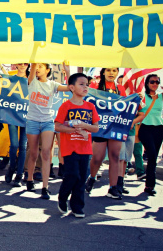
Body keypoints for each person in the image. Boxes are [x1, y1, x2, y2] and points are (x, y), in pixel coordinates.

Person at [55, 73, 100, 218]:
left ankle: (77, 207)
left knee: (81, 177)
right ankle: (62, 197)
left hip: (85, 148)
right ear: (72, 87)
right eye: (81, 84)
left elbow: (95, 128)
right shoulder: (65, 106)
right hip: (70, 148)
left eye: (87, 84)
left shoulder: (90, 106)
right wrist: (74, 129)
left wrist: (85, 125)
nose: (85, 87)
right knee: (72, 175)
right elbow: (57, 126)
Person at [25, 63, 70, 199]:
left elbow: (70, 87)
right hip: (32, 121)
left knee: (46, 152)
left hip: (47, 122)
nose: (37, 69)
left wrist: (67, 71)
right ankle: (29, 179)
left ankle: (45, 187)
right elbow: (32, 66)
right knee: (33, 153)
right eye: (36, 66)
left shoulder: (53, 85)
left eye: (41, 66)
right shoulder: (32, 81)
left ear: (48, 70)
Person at [86, 68, 128, 200]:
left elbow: (127, 106)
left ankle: (113, 187)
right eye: (108, 70)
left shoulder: (120, 88)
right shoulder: (95, 85)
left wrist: (137, 99)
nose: (111, 73)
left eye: (114, 70)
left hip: (115, 126)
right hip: (101, 126)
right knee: (98, 158)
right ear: (103, 72)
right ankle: (92, 178)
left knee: (115, 156)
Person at [138, 74, 163, 196]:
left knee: (154, 157)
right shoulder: (142, 96)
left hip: (159, 127)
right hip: (145, 127)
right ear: (147, 83)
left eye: (157, 82)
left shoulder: (161, 95)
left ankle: (150, 186)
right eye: (152, 82)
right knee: (152, 154)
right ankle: (149, 183)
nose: (155, 84)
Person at [4, 63, 30, 186]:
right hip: (12, 114)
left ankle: (19, 175)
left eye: (25, 63)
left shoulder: (32, 80)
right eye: (20, 63)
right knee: (14, 145)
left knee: (23, 146)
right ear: (16, 65)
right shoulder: (10, 78)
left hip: (27, 116)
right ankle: (11, 168)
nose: (23, 65)